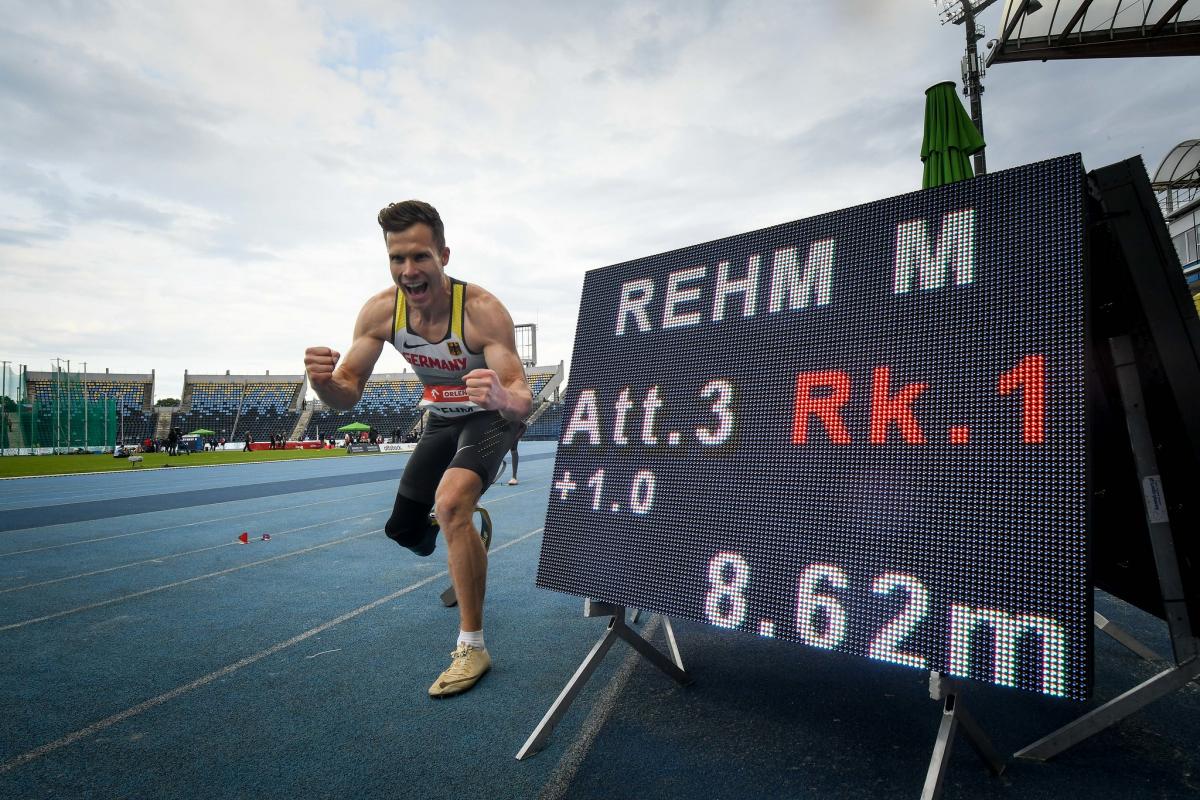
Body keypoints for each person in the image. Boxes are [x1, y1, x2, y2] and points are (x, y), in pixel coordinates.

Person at [305, 200, 531, 698]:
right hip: (441, 421)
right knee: (403, 530)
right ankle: (463, 537)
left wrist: (500, 396)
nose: (409, 271)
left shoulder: (480, 311)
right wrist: (321, 383)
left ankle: (472, 645)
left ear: (443, 255)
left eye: (420, 257)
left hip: (489, 418)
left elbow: (521, 393)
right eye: (397, 259)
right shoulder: (381, 311)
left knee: (451, 503)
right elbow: (347, 391)